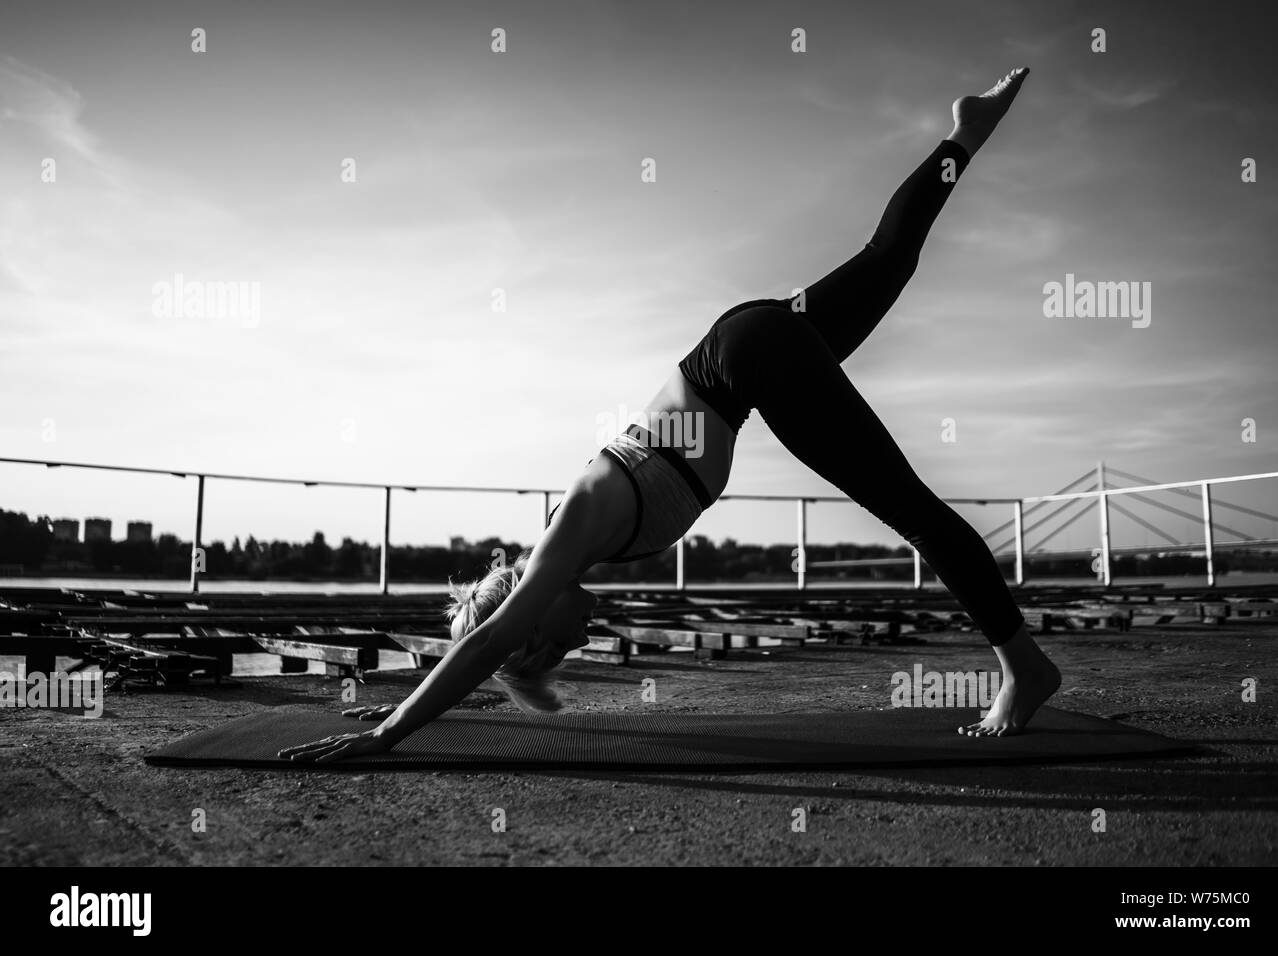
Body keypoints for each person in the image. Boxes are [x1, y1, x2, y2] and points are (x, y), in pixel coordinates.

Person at [279, 67, 1059, 764]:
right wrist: (416, 707)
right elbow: (493, 648)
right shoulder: (580, 541)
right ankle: (963, 135)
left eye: (553, 642)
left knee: (911, 509)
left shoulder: (573, 526)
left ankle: (1025, 667)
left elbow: (490, 641)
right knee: (888, 260)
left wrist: (387, 736)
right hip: (745, 349)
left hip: (750, 361)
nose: (578, 640)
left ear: (527, 609)